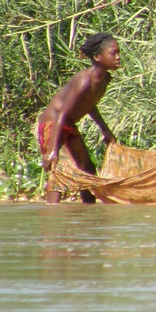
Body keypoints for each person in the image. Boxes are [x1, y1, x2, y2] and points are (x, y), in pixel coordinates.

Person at [37, 33, 121, 204]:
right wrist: (52, 150)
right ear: (97, 57)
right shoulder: (83, 80)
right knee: (56, 168)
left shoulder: (105, 79)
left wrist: (106, 131)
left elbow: (90, 106)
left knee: (87, 167)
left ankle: (88, 209)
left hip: (67, 124)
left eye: (118, 53)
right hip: (53, 123)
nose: (118, 57)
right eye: (113, 53)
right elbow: (62, 113)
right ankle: (51, 213)